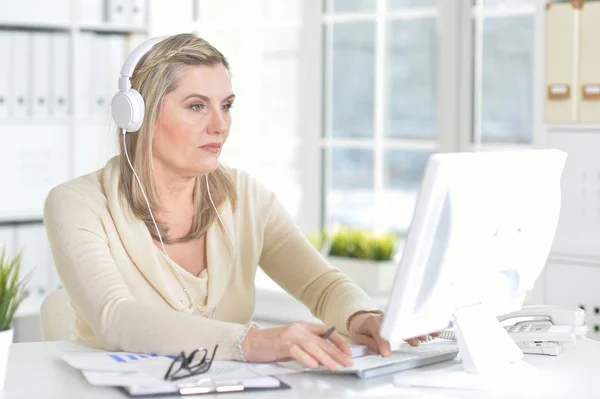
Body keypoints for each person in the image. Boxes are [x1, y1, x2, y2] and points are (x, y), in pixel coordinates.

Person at [44, 33, 433, 371]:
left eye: (226, 105)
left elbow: (321, 285)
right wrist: (251, 343)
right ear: (137, 115)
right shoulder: (77, 204)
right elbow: (117, 319)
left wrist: (361, 315)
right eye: (197, 106)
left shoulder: (245, 197)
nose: (220, 124)